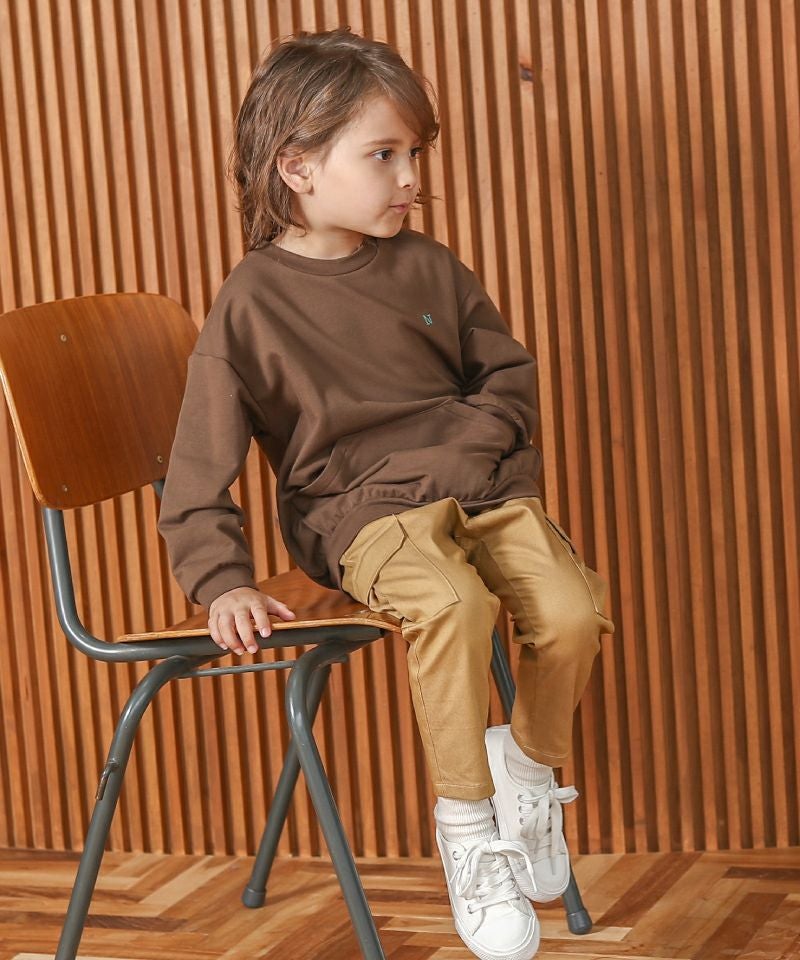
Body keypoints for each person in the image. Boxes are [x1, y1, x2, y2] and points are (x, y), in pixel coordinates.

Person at [158, 25, 615, 960]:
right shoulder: (252, 304)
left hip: (484, 490)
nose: (410, 178)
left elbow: (507, 379)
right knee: (454, 604)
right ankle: (467, 829)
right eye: (383, 155)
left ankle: (527, 769)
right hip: (363, 513)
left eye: (415, 154)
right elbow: (199, 462)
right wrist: (221, 581)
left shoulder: (431, 267)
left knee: (573, 611)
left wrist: (478, 448)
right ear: (297, 167)